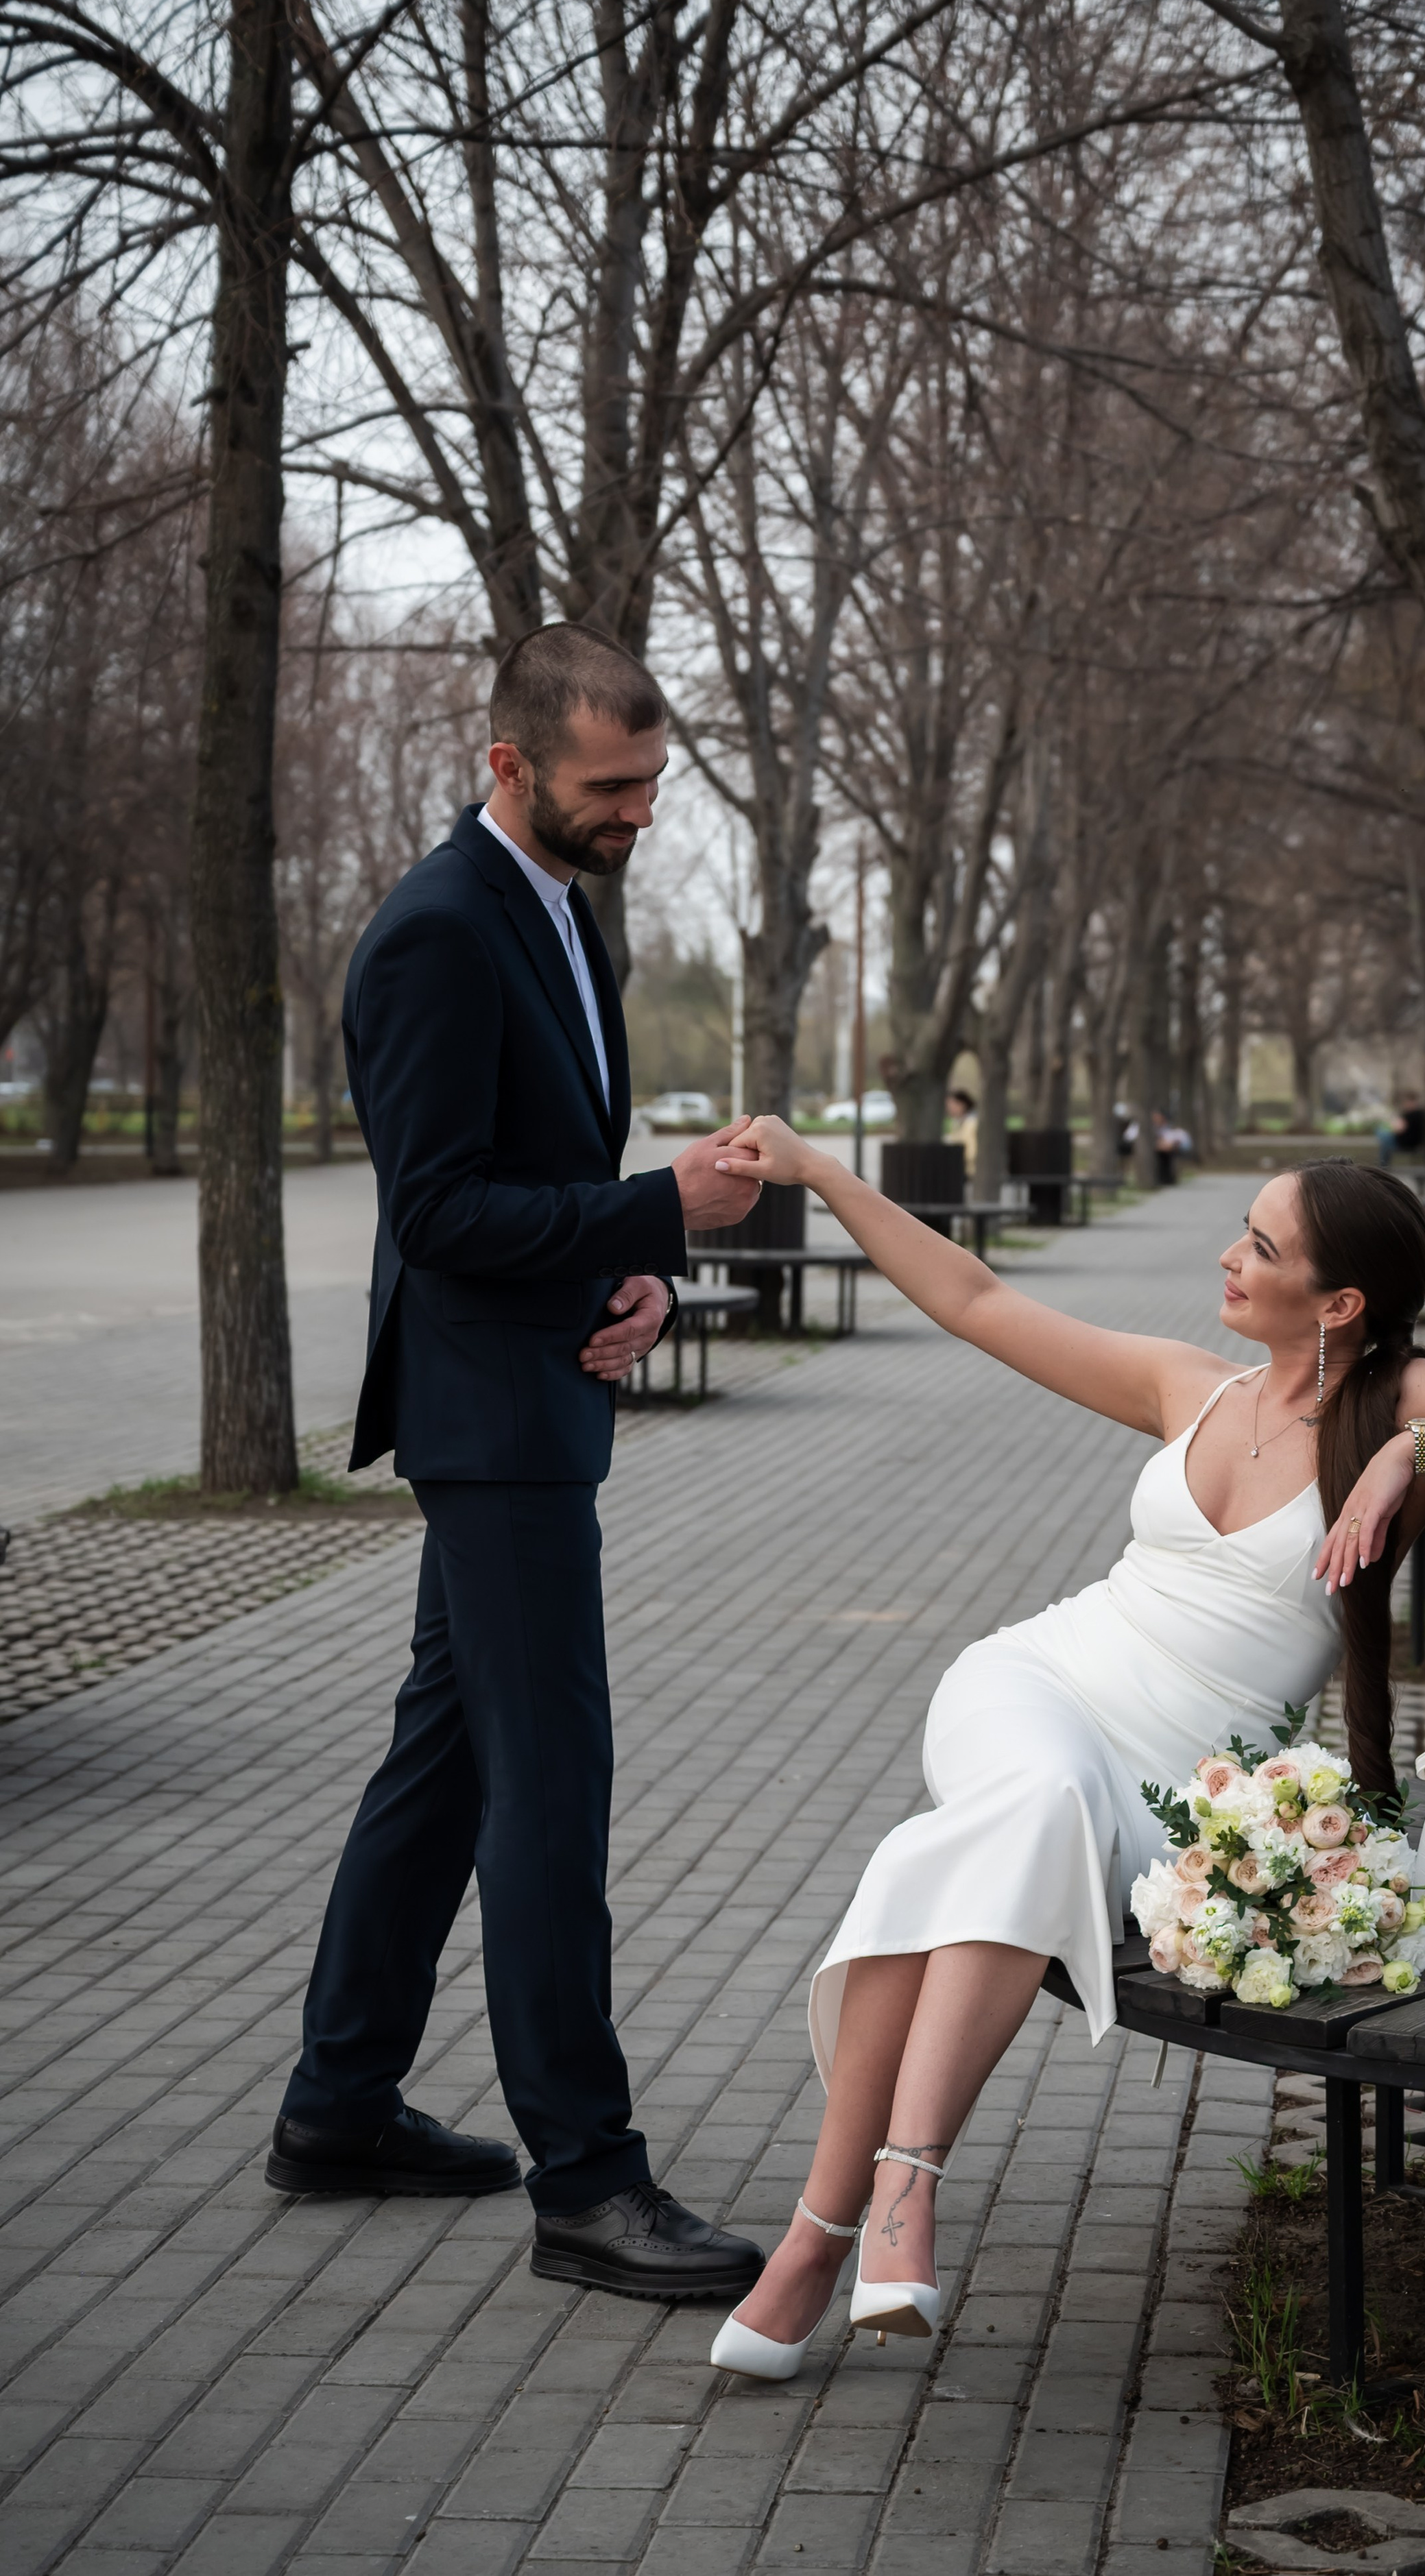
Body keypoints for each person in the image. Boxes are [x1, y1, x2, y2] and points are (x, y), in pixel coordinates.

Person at [700, 1130, 1425, 2379]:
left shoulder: (1403, 1401)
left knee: (986, 1837)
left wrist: (1415, 1456)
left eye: (1260, 1242)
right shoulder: (1192, 1385)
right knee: (1035, 1792)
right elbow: (975, 1299)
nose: (1227, 1253)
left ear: (1341, 1300)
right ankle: (902, 2189)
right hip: (1035, 1684)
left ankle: (820, 2234)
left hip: (1175, 1789)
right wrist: (823, 1175)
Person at [267, 624, 769, 2306]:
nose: (635, 814)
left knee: (451, 1763)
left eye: (648, 784)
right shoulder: (431, 935)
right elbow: (434, 1213)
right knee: (550, 1794)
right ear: (508, 766)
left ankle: (340, 2106)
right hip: (486, 1431)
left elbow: (549, 1175)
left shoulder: (561, 914)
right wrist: (652, 1212)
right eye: (606, 788)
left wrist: (635, 1272)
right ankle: (588, 2181)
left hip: (535, 1394)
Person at [945, 1087, 979, 1176]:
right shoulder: (956, 1124)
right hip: (959, 1169)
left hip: (970, 1172)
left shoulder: (972, 1124)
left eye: (952, 1105)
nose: (949, 1109)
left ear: (962, 1105)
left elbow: (972, 1151)